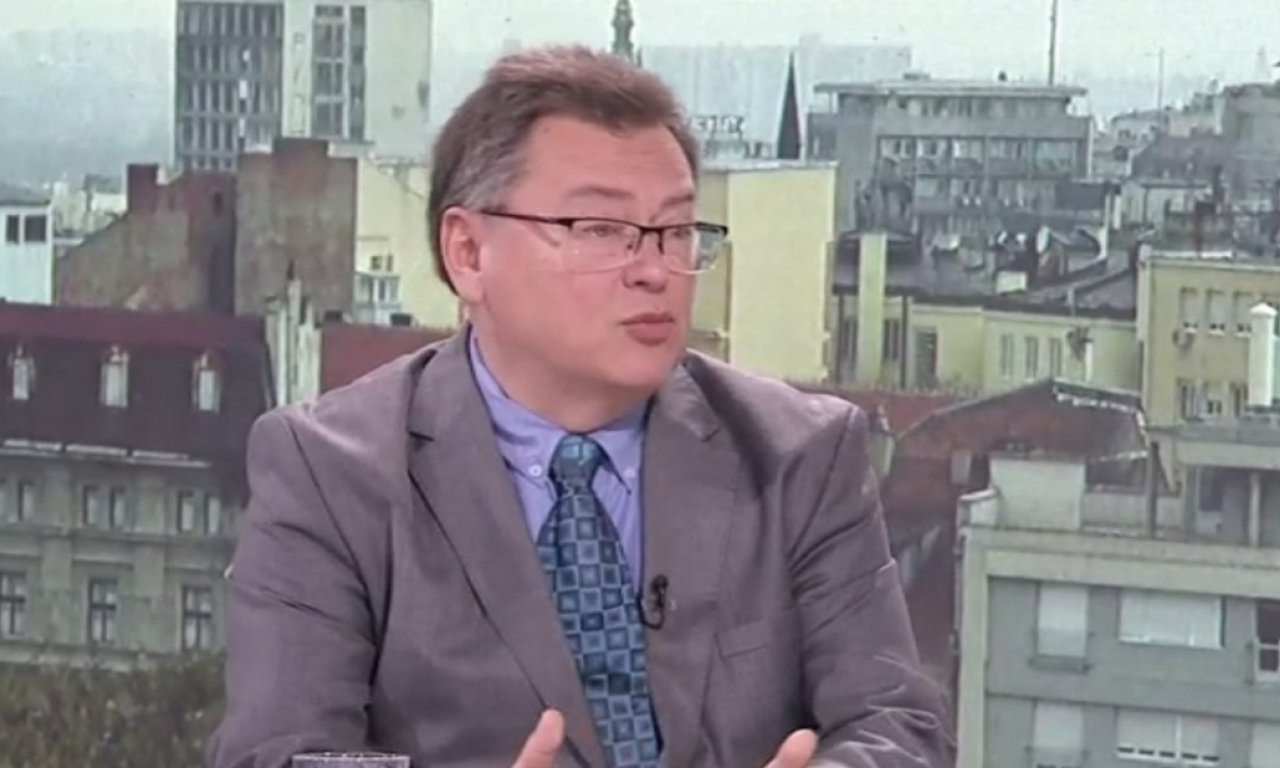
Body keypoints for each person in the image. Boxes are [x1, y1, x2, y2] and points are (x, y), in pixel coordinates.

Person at [205, 44, 954, 768]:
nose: (656, 271)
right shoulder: (330, 473)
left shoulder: (801, 455)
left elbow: (899, 727)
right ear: (468, 253)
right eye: (600, 230)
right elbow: (281, 754)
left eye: (675, 231)